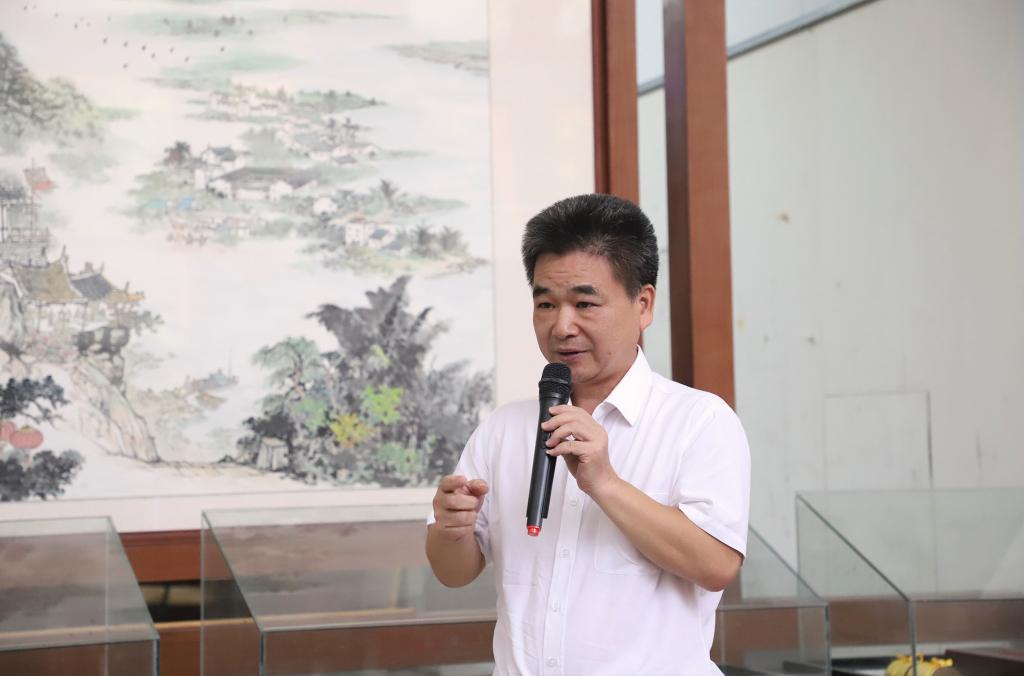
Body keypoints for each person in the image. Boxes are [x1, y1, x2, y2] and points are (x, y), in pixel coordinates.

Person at [426, 194, 751, 676]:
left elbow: (717, 566)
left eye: (584, 303)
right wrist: (450, 529)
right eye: (545, 304)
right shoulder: (503, 428)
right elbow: (453, 573)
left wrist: (605, 484)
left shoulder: (699, 421)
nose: (562, 326)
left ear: (643, 305)